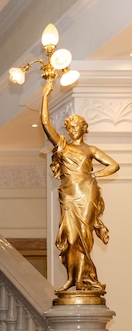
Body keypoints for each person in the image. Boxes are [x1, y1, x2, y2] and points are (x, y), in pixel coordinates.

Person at [40, 77, 120, 292]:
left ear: (84, 129)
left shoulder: (91, 150)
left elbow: (114, 165)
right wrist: (45, 95)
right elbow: (46, 123)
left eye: (77, 126)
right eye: (70, 126)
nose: (73, 129)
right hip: (68, 194)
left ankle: (82, 279)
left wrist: (94, 176)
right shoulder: (63, 146)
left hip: (86, 193)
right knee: (70, 237)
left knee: (84, 236)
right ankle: (71, 279)